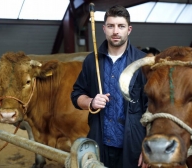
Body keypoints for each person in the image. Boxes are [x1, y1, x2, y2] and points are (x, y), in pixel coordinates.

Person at [71, 5, 149, 168]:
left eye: (121, 26)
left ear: (129, 29)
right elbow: (76, 95)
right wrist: (90, 102)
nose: (115, 31)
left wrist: (148, 146)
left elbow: (153, 108)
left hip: (133, 146)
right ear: (104, 28)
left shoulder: (143, 62)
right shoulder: (92, 61)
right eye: (111, 26)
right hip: (100, 144)